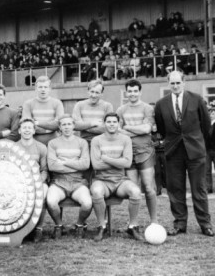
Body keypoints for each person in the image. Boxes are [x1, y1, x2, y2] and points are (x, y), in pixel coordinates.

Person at [154, 71, 213, 237]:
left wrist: (200, 146)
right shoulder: (161, 104)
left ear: (184, 82)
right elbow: (161, 129)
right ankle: (180, 224)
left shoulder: (197, 99)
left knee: (199, 189)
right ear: (168, 84)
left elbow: (206, 126)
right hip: (173, 152)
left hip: (196, 151)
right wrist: (169, 144)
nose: (175, 86)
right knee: (175, 189)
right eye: (172, 83)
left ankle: (205, 224)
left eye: (178, 83)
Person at [90, 113, 144, 241]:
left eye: (114, 122)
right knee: (96, 191)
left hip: (120, 180)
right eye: (109, 122)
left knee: (136, 191)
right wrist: (118, 161)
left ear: (118, 124)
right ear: (104, 124)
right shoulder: (96, 140)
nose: (112, 124)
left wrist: (106, 158)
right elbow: (96, 165)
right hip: (102, 180)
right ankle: (101, 226)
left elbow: (127, 163)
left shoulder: (126, 139)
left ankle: (132, 226)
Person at [116, 79, 157, 224]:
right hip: (128, 152)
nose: (132, 94)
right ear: (126, 92)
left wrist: (127, 128)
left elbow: (147, 129)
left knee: (148, 187)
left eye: (135, 91)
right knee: (134, 190)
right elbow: (117, 131)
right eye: (129, 91)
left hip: (145, 150)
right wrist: (136, 130)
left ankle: (154, 221)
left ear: (140, 92)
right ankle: (133, 224)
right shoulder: (120, 110)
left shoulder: (147, 108)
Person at [46, 114, 91, 239]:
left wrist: (64, 162)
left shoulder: (82, 142)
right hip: (59, 181)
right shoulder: (53, 143)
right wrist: (76, 164)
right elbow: (52, 166)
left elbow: (85, 165)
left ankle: (79, 225)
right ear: (59, 127)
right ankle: (59, 226)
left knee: (87, 203)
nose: (67, 127)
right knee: (50, 201)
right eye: (64, 124)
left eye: (69, 124)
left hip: (78, 182)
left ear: (74, 126)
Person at [72, 79, 113, 184]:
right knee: (86, 173)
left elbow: (108, 127)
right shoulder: (79, 105)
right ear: (88, 91)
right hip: (84, 144)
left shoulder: (107, 106)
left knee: (101, 174)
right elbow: (75, 125)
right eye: (92, 91)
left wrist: (84, 125)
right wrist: (93, 123)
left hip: (102, 144)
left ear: (102, 94)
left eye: (97, 92)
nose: (94, 95)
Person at [15, 118, 48, 242]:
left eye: (30, 127)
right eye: (24, 128)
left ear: (34, 131)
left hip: (38, 182)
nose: (27, 130)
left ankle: (38, 228)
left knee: (43, 194)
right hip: (19, 182)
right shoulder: (14, 147)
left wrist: (38, 182)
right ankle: (20, 228)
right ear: (19, 130)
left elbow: (44, 170)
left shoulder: (41, 147)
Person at [22, 76, 64, 145]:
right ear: (36, 89)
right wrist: (49, 128)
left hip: (54, 142)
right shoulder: (28, 104)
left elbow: (58, 124)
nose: (43, 89)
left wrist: (37, 123)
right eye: (40, 87)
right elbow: (28, 125)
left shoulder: (57, 103)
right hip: (33, 142)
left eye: (45, 87)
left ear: (50, 89)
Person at [206, 108, 215, 194]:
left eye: (213, 114)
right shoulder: (207, 125)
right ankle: (209, 188)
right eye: (210, 114)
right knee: (207, 170)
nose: (211, 115)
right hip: (207, 150)